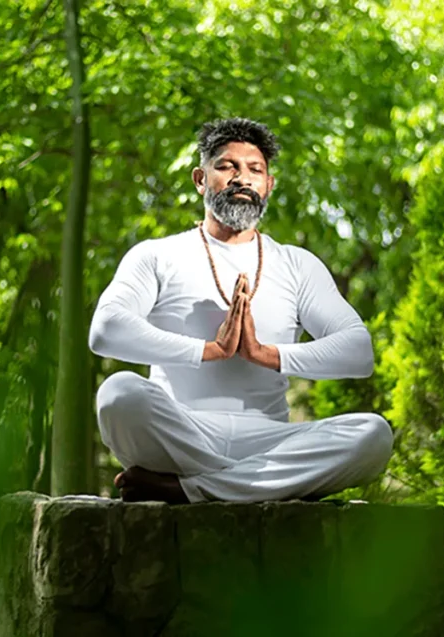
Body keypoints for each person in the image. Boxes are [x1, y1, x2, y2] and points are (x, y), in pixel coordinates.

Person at [88, 117, 393, 504]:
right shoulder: (157, 255)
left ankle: (193, 489)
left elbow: (358, 352)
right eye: (227, 166)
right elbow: (105, 330)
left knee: (374, 434)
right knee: (118, 394)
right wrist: (208, 351)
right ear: (201, 179)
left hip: (268, 440)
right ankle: (254, 487)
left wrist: (265, 354)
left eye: (255, 170)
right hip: (181, 433)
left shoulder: (297, 264)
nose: (242, 178)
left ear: (269, 184)